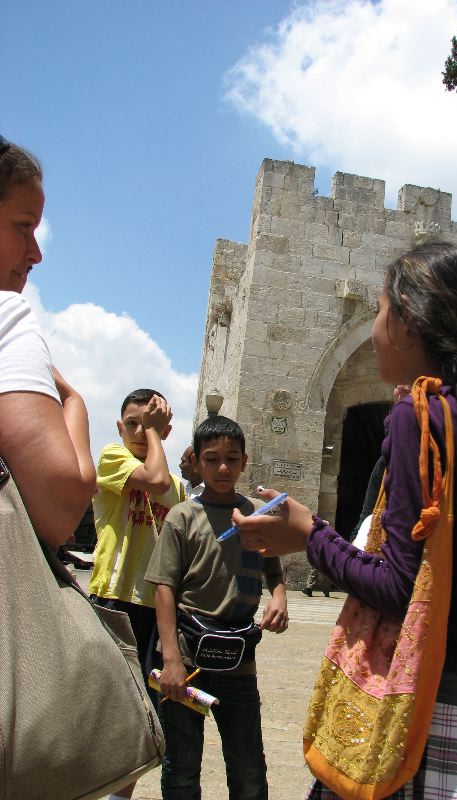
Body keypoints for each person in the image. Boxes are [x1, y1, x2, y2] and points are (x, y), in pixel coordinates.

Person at [234, 242, 457, 800]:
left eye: (380, 311)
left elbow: (401, 588)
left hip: (414, 720)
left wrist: (309, 534)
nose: (376, 328)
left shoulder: (420, 415)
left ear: (408, 322)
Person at [145, 414, 288, 800]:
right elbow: (164, 588)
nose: (222, 468)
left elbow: (273, 569)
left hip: (239, 662)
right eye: (211, 459)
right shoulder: (182, 517)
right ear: (196, 461)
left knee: (248, 769)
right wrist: (171, 660)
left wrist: (279, 596)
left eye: (231, 458)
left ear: (244, 461)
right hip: (187, 659)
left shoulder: (257, 514)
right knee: (182, 768)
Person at [89, 388, 185, 800]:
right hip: (114, 597)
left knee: (140, 712)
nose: (140, 433)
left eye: (149, 425)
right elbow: (155, 479)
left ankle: (119, 796)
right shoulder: (114, 457)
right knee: (99, 706)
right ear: (119, 427)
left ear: (165, 429)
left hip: (154, 607)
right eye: (133, 424)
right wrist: (154, 432)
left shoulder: (178, 487)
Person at [0, 134, 96, 546]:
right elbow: (60, 503)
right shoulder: (7, 312)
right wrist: (73, 400)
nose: (35, 253)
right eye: (24, 226)